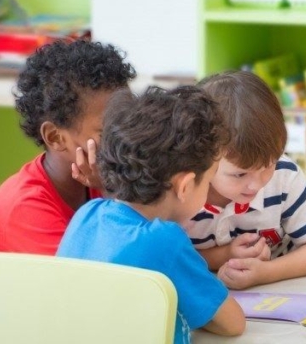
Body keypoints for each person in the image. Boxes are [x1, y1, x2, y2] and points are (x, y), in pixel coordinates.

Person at [0, 40, 136, 343]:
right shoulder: (28, 207)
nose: (127, 140)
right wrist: (111, 188)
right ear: (55, 137)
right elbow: (91, 295)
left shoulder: (91, 183)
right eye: (108, 133)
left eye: (130, 123)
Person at [57, 86, 245, 342]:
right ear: (185, 186)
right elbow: (233, 323)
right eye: (209, 181)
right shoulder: (163, 240)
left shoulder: (87, 215)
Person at [184, 70, 306, 289]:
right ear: (203, 156)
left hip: (278, 296)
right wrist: (223, 255)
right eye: (240, 174)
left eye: (268, 165)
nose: (257, 184)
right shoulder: (181, 190)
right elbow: (161, 258)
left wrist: (266, 272)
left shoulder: (284, 175)